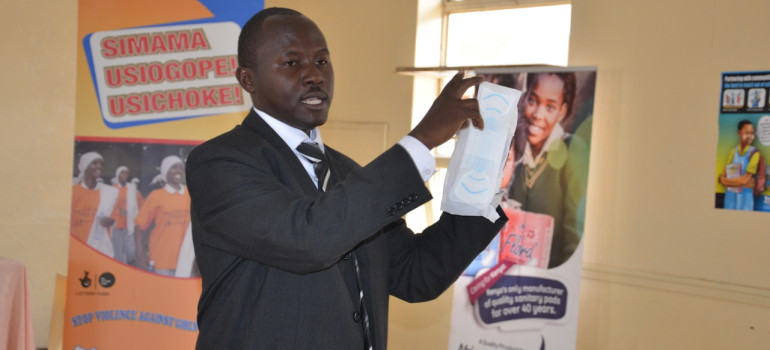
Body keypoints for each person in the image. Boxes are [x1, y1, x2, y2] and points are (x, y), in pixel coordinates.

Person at [186, 7, 508, 350]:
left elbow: (416, 274)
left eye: (322, 62)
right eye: (292, 63)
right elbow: (308, 239)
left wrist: (481, 169)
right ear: (248, 79)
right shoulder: (220, 163)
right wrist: (421, 142)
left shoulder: (348, 173)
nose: (314, 76)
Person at [507, 72, 588, 268]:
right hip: (510, 276)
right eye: (533, 101)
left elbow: (574, 232)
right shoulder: (516, 156)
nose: (537, 115)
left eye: (550, 107)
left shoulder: (571, 149)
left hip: (550, 283)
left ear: (562, 111)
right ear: (525, 99)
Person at [134, 155, 191, 276]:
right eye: (174, 167)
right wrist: (139, 254)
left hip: (185, 258)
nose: (178, 171)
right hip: (161, 258)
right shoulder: (156, 196)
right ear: (165, 171)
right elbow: (139, 225)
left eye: (180, 167)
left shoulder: (189, 193)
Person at [70, 151, 118, 257]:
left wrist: (110, 221)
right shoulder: (73, 192)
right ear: (85, 166)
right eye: (95, 163)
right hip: (77, 247)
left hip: (99, 247)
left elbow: (115, 218)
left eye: (101, 164)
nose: (99, 166)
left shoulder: (109, 192)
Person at [719, 119, 760, 211]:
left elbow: (744, 180)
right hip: (730, 198)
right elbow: (724, 175)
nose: (750, 136)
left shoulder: (754, 153)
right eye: (746, 132)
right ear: (739, 133)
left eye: (752, 133)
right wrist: (727, 180)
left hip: (745, 200)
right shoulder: (733, 151)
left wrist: (725, 181)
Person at [109, 166, 144, 265]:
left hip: (129, 225)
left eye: (126, 173)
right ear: (118, 175)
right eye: (122, 173)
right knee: (119, 253)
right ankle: (122, 271)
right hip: (116, 225)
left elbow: (140, 205)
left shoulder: (132, 189)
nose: (124, 175)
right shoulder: (112, 189)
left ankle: (127, 266)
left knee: (131, 252)